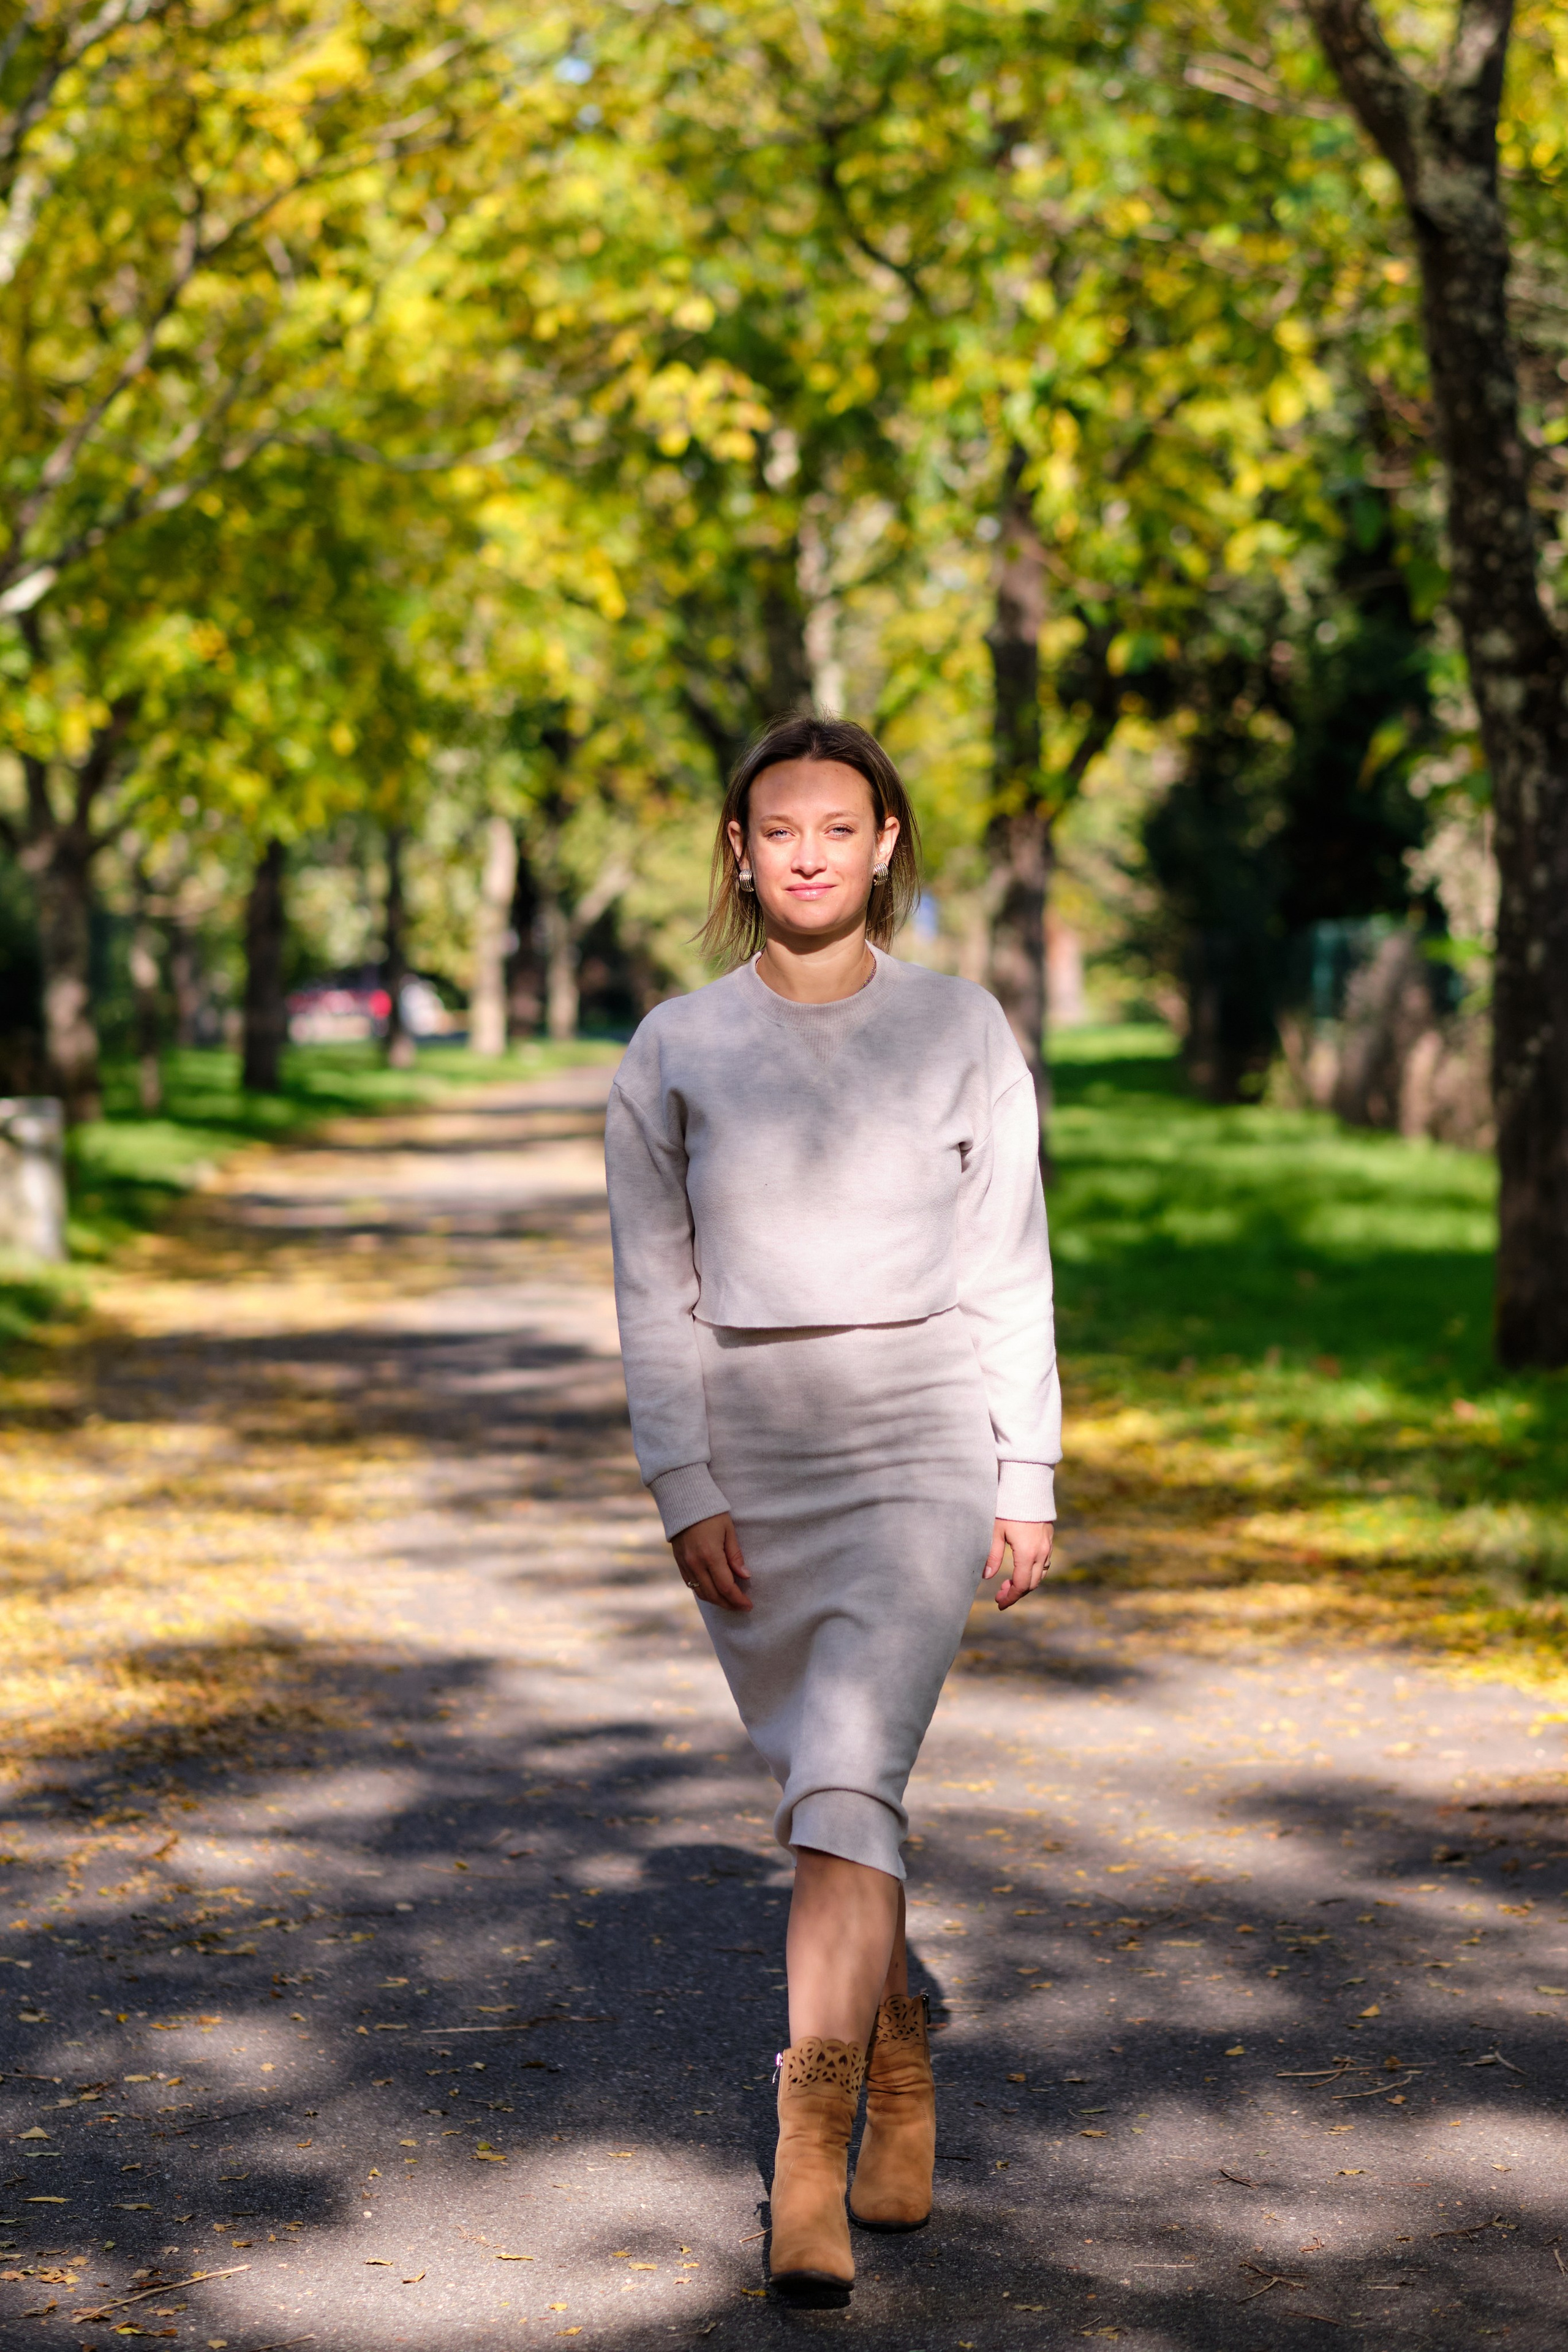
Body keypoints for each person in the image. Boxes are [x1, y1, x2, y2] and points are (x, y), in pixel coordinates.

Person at [604, 714, 1060, 2305]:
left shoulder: (962, 1028)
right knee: (835, 1791)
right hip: (758, 1444)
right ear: (741, 851)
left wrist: (1029, 1472)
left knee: (849, 1765)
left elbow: (1010, 1260)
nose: (807, 850)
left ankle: (806, 2157)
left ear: (885, 847)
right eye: (777, 826)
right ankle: (901, 2047)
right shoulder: (673, 1047)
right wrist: (684, 1482)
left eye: (838, 826)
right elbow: (652, 1301)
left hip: (923, 1434)